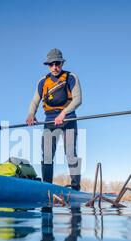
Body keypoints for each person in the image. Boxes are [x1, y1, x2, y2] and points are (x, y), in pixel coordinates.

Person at [26, 49, 82, 191]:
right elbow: (34, 101)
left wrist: (63, 113)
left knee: (70, 153)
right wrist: (31, 114)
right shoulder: (43, 81)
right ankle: (47, 186)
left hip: (68, 119)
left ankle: (75, 187)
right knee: (47, 155)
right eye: (51, 64)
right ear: (48, 65)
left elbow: (78, 100)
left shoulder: (71, 77)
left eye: (57, 64)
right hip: (49, 121)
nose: (54, 67)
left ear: (62, 63)